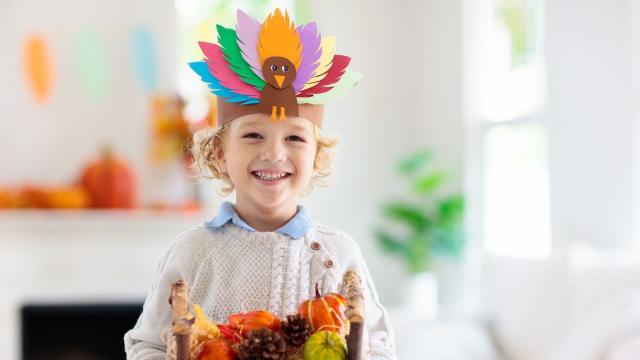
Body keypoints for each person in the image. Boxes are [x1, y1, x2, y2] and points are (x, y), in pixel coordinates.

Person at [124, 8, 396, 359]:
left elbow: (380, 346)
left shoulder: (339, 255)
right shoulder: (192, 252)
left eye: (295, 139)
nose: (274, 153)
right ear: (220, 153)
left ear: (316, 158)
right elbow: (146, 345)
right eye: (253, 135)